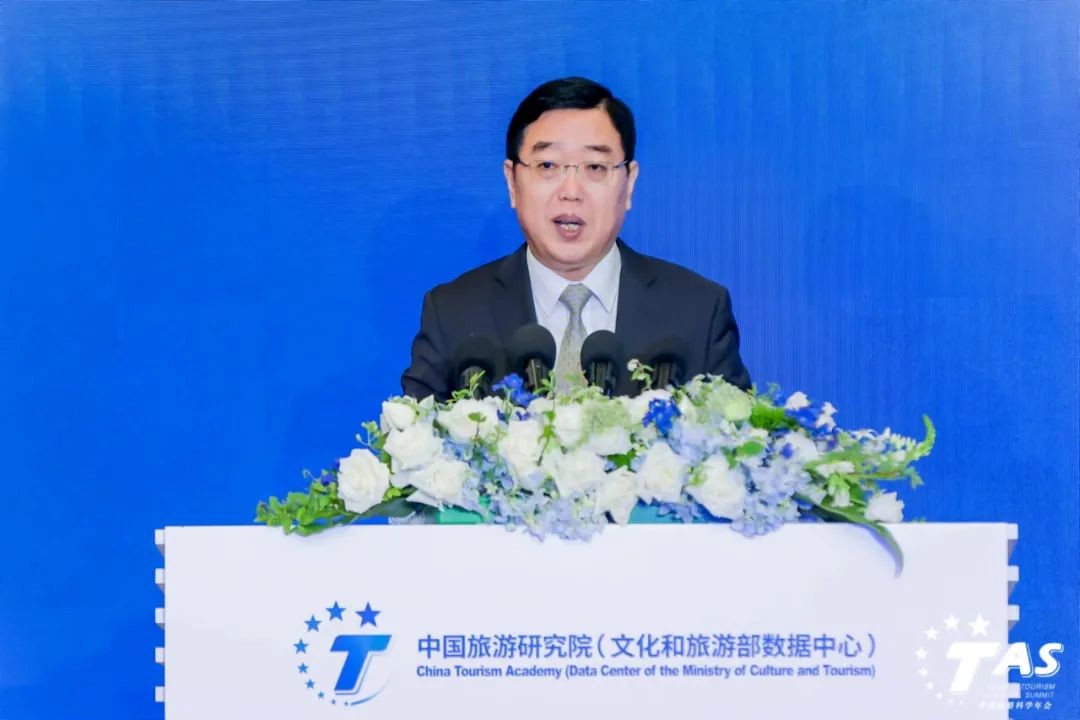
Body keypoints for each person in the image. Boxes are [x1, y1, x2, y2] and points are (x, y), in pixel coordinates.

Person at [401, 76, 751, 400]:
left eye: (595, 167)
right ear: (512, 182)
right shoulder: (454, 313)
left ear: (629, 183)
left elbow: (736, 441)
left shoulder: (698, 310)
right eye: (547, 166)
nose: (571, 191)